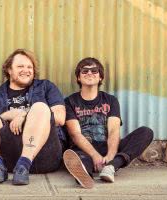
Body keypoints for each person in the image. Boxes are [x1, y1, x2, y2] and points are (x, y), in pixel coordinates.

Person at [0, 49, 66, 185]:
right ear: (9, 70)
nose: (26, 70)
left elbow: (59, 118)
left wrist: (24, 114)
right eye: (20, 66)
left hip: (45, 156)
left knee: (40, 107)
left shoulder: (45, 87)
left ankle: (24, 164)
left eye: (30, 67)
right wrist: (8, 115)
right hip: (10, 160)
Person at [63, 57, 154, 189]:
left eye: (94, 71)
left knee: (146, 132)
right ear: (78, 77)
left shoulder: (110, 100)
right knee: (80, 157)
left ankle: (111, 166)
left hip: (108, 147)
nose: (89, 73)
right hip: (83, 148)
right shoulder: (70, 101)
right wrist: (95, 155)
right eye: (85, 71)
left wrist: (110, 156)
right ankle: (84, 174)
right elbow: (75, 134)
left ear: (100, 77)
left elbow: (114, 130)